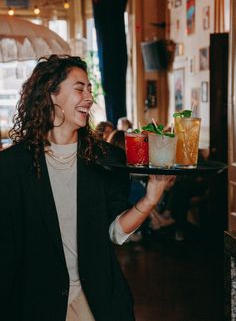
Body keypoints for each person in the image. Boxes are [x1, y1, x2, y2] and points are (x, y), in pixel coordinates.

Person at [0, 54, 175, 321]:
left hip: (96, 300)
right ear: (51, 94)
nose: (89, 98)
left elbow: (115, 232)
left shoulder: (107, 160)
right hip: (34, 302)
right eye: (79, 88)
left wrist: (150, 200)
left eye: (90, 90)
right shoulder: (12, 166)